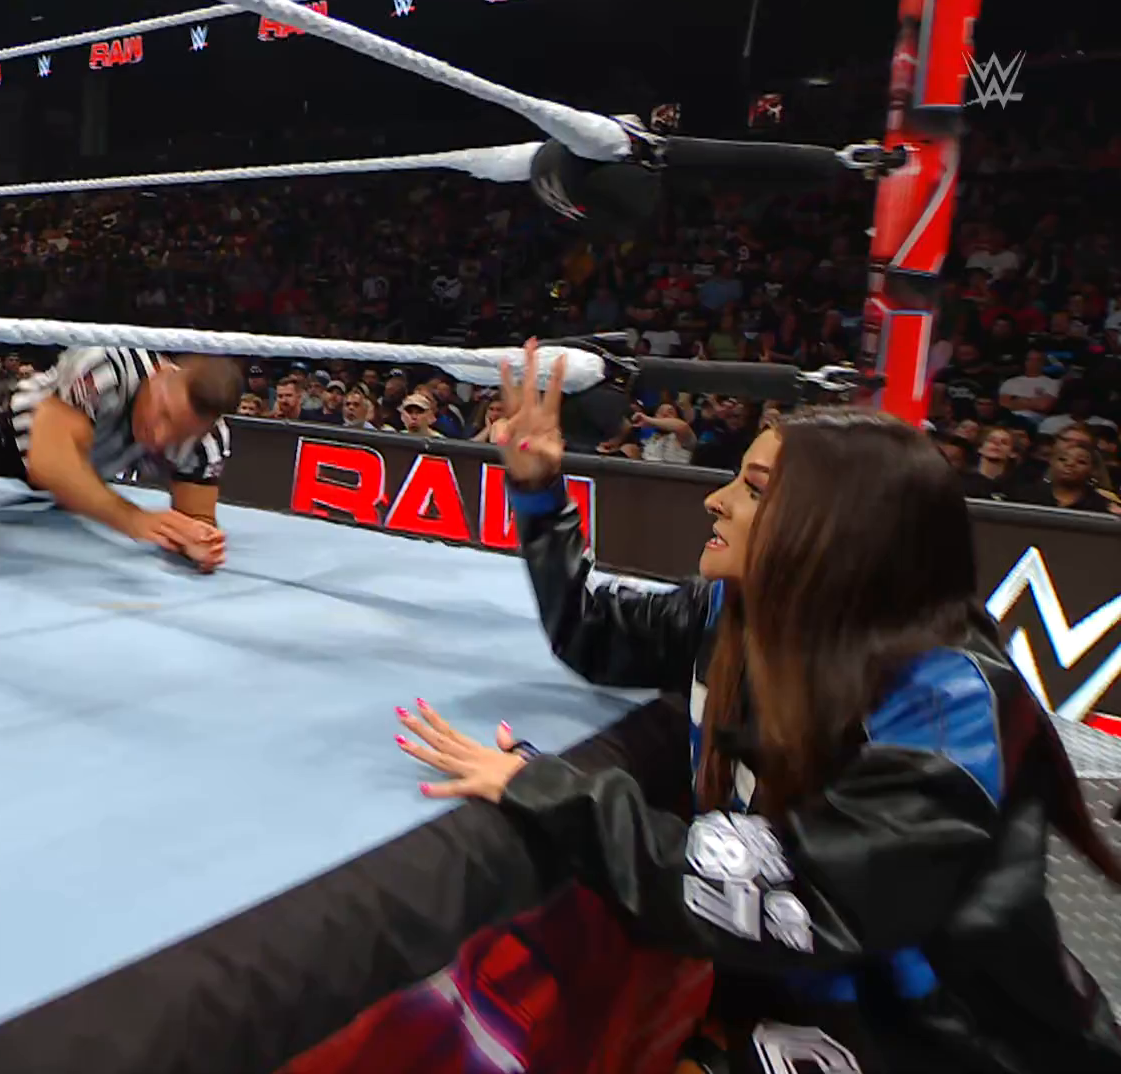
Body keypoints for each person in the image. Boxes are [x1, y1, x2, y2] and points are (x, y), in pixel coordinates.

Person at [392, 340, 1121, 1073]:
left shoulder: (943, 698)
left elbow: (809, 899)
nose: (717, 499)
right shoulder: (736, 611)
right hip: (802, 1013)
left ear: (837, 526)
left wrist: (546, 789)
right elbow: (591, 629)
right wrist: (539, 490)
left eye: (755, 489)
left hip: (956, 1047)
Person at [0, 343, 239, 571]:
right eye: (164, 414)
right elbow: (48, 462)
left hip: (80, 470)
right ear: (161, 375)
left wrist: (196, 542)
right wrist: (132, 518)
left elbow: (196, 518)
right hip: (6, 431)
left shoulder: (206, 441)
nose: (161, 438)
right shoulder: (105, 365)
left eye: (181, 434)